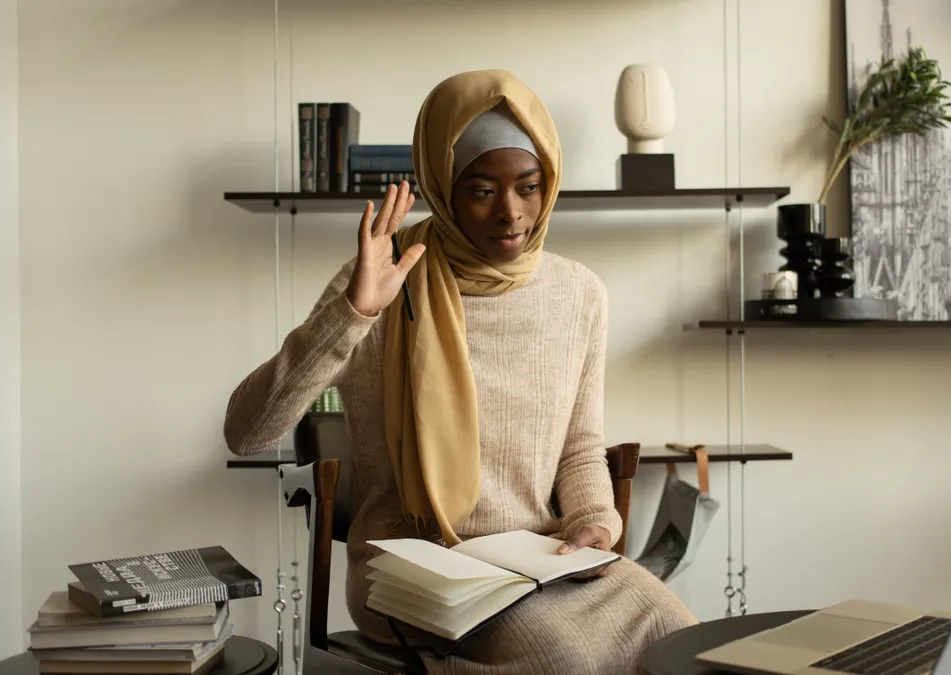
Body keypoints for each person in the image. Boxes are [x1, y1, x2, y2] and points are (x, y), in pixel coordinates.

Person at [223, 69, 698, 674]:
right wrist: (354, 314)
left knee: (684, 643)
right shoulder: (383, 278)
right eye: (481, 190)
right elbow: (248, 431)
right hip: (412, 570)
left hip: (542, 558)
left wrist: (595, 525)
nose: (511, 213)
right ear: (443, 189)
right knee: (562, 663)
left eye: (529, 187)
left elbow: (580, 447)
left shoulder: (579, 293)